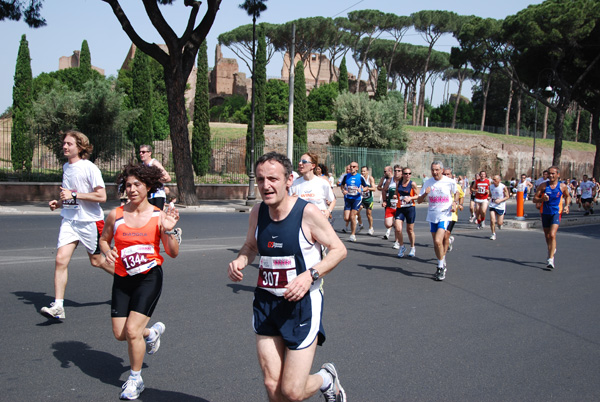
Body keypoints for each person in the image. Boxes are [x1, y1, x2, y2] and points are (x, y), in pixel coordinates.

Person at [228, 152, 347, 402]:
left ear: (289, 180)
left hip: (302, 305)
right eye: (260, 179)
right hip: (266, 302)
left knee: (291, 391)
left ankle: (326, 379)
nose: (265, 185)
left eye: (273, 178)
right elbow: (250, 247)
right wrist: (241, 260)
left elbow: (339, 250)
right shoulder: (257, 212)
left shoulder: (307, 213)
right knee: (272, 384)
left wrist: (309, 275)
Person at [99, 162, 181, 400]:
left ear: (148, 186)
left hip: (149, 277)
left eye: (137, 184)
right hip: (123, 278)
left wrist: (170, 231)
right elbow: (104, 240)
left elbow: (173, 253)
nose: (132, 189)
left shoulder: (159, 216)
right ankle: (151, 333)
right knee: (120, 333)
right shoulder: (116, 214)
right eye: (128, 185)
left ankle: (135, 379)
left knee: (131, 331)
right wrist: (107, 250)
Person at [40, 130, 114, 320]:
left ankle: (127, 279)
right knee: (60, 259)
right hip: (70, 220)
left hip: (90, 222)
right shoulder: (66, 167)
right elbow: (71, 195)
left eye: (69, 144)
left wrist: (75, 196)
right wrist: (60, 203)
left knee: (97, 261)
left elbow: (102, 197)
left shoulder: (89, 168)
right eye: (64, 143)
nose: (65, 146)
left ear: (80, 147)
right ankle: (58, 306)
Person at [417, 161, 459, 281]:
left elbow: (456, 192)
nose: (435, 172)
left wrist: (455, 202)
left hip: (444, 215)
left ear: (441, 170)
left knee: (437, 240)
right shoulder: (428, 182)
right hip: (432, 215)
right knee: (436, 243)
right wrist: (425, 193)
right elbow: (419, 201)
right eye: (433, 170)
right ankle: (441, 261)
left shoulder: (449, 181)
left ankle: (440, 267)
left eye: (437, 170)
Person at [532, 166, 570, 269]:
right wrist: (542, 199)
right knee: (547, 236)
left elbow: (567, 196)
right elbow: (534, 199)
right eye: (549, 173)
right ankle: (551, 248)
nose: (551, 175)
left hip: (556, 212)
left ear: (558, 174)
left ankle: (550, 258)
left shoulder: (562, 186)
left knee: (552, 234)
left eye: (553, 173)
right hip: (545, 213)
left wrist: (566, 205)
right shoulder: (543, 186)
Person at [290, 153, 336, 223]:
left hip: (320, 223)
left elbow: (333, 200)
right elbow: (288, 205)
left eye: (304, 162)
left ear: (313, 166)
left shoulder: (322, 183)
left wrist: (328, 211)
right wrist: (291, 200)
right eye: (300, 161)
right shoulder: (295, 184)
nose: (300, 163)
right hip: (302, 223)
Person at [340, 161, 367, 242]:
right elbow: (342, 185)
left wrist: (361, 189)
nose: (352, 168)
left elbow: (366, 187)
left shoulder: (360, 177)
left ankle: (352, 234)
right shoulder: (346, 176)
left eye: (354, 166)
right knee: (346, 218)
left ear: (357, 168)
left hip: (357, 199)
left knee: (352, 216)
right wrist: (343, 190)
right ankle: (354, 220)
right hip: (348, 199)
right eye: (351, 166)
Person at [394, 167, 418, 257]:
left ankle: (412, 247)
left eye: (409, 173)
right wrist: (395, 196)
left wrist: (410, 198)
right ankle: (402, 246)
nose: (408, 175)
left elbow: (418, 195)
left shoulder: (413, 184)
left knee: (410, 230)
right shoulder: (399, 183)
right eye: (406, 173)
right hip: (400, 208)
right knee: (398, 228)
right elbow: (396, 192)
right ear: (402, 174)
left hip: (410, 208)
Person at [139, 145, 171, 210]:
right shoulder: (142, 166)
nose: (141, 154)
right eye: (140, 152)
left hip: (157, 195)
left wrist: (153, 180)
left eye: (143, 152)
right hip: (147, 195)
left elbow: (167, 178)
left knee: (157, 216)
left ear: (149, 153)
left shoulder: (154, 163)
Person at [442, 168, 464, 254]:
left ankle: (442, 258)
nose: (446, 176)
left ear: (451, 175)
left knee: (446, 233)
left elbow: (461, 195)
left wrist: (461, 204)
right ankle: (449, 241)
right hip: (442, 213)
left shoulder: (456, 186)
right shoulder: (440, 185)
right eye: (444, 174)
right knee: (443, 235)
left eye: (448, 174)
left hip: (452, 214)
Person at [383, 165, 403, 248]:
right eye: (395, 170)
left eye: (399, 171)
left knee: (398, 225)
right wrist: (384, 200)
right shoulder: (389, 181)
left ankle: (397, 242)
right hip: (390, 206)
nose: (397, 172)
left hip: (400, 207)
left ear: (401, 172)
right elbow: (384, 190)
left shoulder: (403, 181)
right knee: (388, 224)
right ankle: (395, 227)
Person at [488, 175, 509, 240]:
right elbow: (490, 195)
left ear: (499, 180)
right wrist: (489, 197)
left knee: (500, 222)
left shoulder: (503, 187)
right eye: (493, 180)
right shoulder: (490, 187)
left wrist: (500, 200)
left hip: (500, 205)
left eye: (495, 180)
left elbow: (507, 196)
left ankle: (499, 224)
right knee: (492, 220)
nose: (493, 181)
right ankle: (493, 234)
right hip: (493, 204)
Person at [357, 166, 377, 235]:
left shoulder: (370, 178)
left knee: (368, 214)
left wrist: (366, 188)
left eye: (364, 171)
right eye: (362, 171)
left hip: (369, 199)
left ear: (367, 172)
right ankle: (360, 224)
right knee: (357, 211)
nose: (363, 172)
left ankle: (371, 228)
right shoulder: (359, 178)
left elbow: (374, 188)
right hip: (362, 199)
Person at [377, 166, 394, 239]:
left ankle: (390, 232)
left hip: (394, 200)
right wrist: (384, 189)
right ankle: (389, 230)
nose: (384, 173)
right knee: (389, 217)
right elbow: (378, 187)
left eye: (385, 171)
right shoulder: (383, 179)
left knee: (395, 217)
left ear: (390, 171)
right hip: (387, 199)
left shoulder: (395, 179)